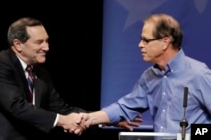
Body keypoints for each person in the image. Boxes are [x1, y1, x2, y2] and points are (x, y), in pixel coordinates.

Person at [0, 17, 142, 140]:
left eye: (47, 41)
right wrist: (63, 121)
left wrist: (108, 118)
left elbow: (62, 108)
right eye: (39, 42)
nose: (46, 47)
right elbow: (16, 106)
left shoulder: (41, 74)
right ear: (18, 45)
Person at [80, 13, 211, 134]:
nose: (140, 45)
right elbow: (123, 108)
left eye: (146, 40)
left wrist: (195, 134)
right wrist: (89, 118)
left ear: (165, 43)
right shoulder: (149, 76)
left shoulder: (198, 74)